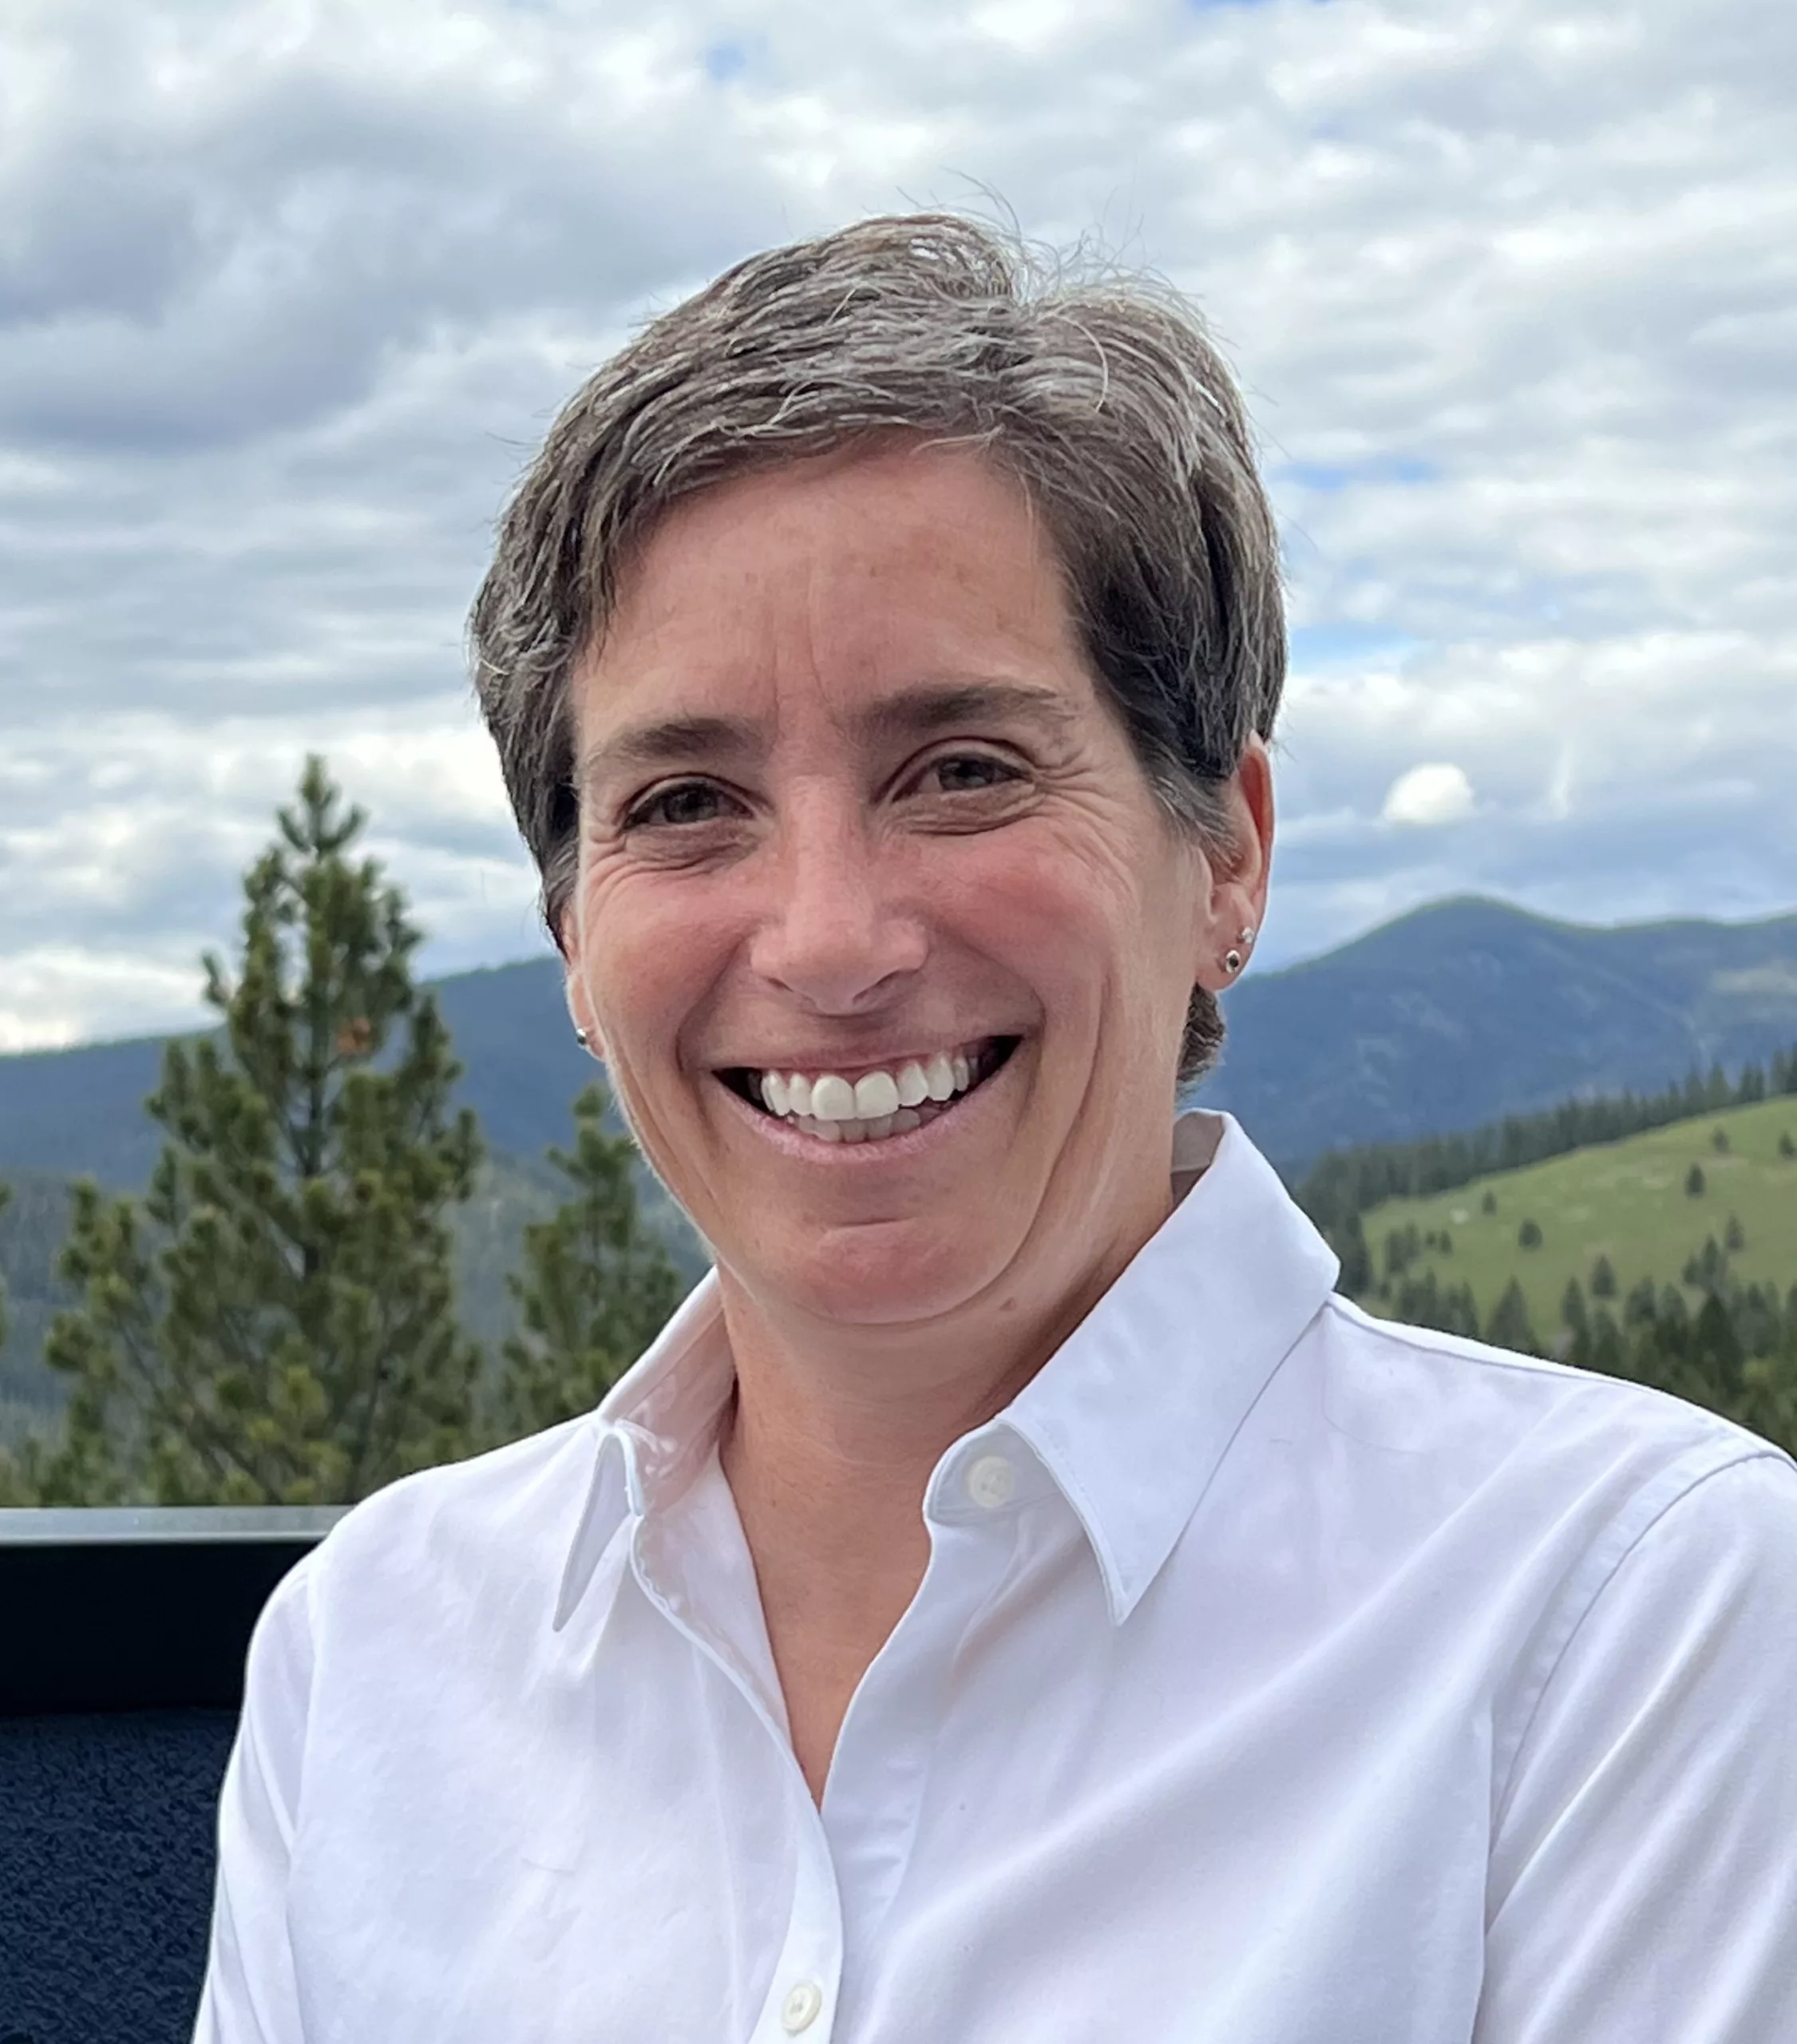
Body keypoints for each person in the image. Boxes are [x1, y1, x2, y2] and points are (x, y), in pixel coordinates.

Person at [194, 215, 1797, 2042]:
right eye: (688, 800)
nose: (830, 942)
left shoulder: (1627, 1619)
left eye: (961, 770)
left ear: (1228, 853)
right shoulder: (378, 1649)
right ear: (574, 935)